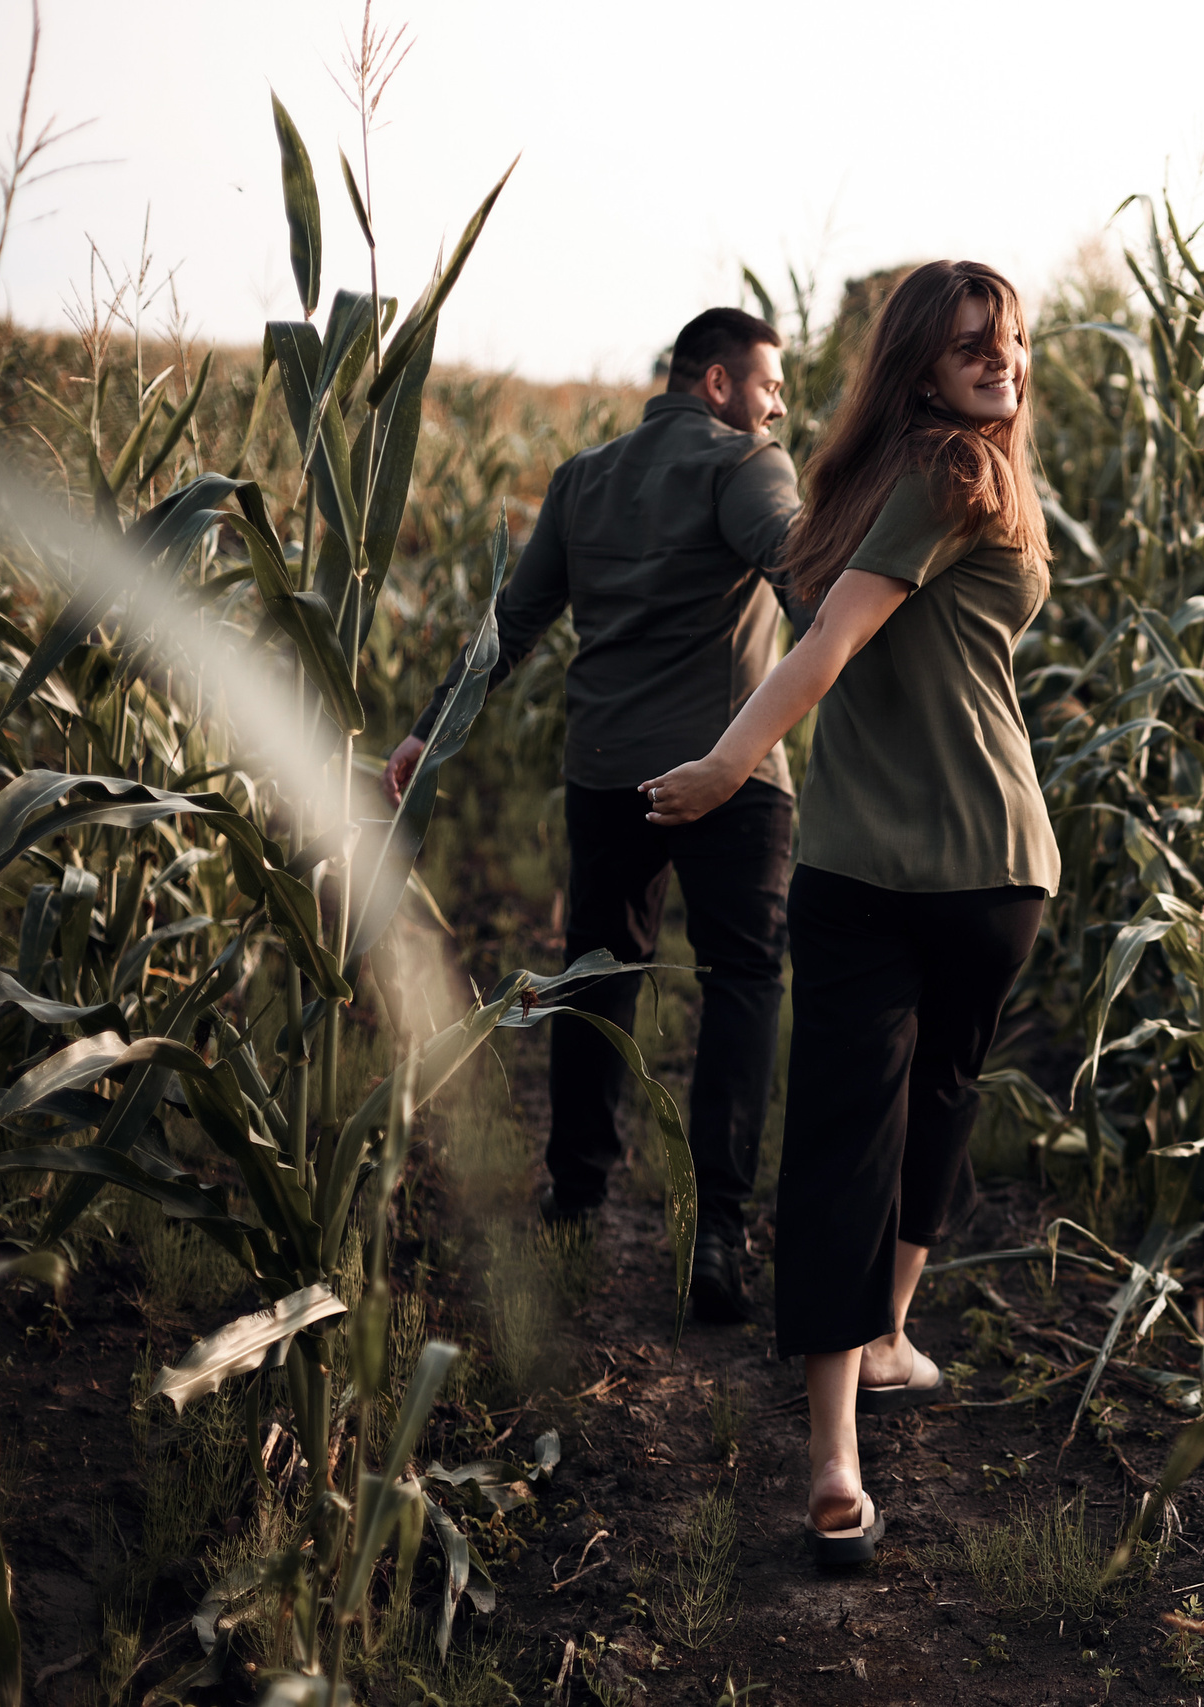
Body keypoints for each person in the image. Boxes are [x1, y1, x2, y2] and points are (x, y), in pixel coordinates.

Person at [638, 260, 1056, 1565]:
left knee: (892, 1118)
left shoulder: (921, 475)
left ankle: (869, 1358)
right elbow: (826, 648)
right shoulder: (935, 475)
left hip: (971, 863)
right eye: (974, 345)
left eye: (1013, 342)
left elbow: (841, 634)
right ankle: (836, 1449)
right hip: (925, 867)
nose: (1003, 362)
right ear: (921, 364)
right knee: (880, 1126)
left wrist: (726, 761)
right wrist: (722, 762)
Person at [386, 306, 799, 1325]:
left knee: (593, 973)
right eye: (769, 386)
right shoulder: (747, 466)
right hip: (731, 776)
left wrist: (427, 732)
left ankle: (574, 1196)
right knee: (740, 982)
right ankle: (718, 1236)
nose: (778, 406)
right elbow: (804, 576)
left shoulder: (583, 478)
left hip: (609, 769)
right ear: (716, 383)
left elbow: (512, 624)